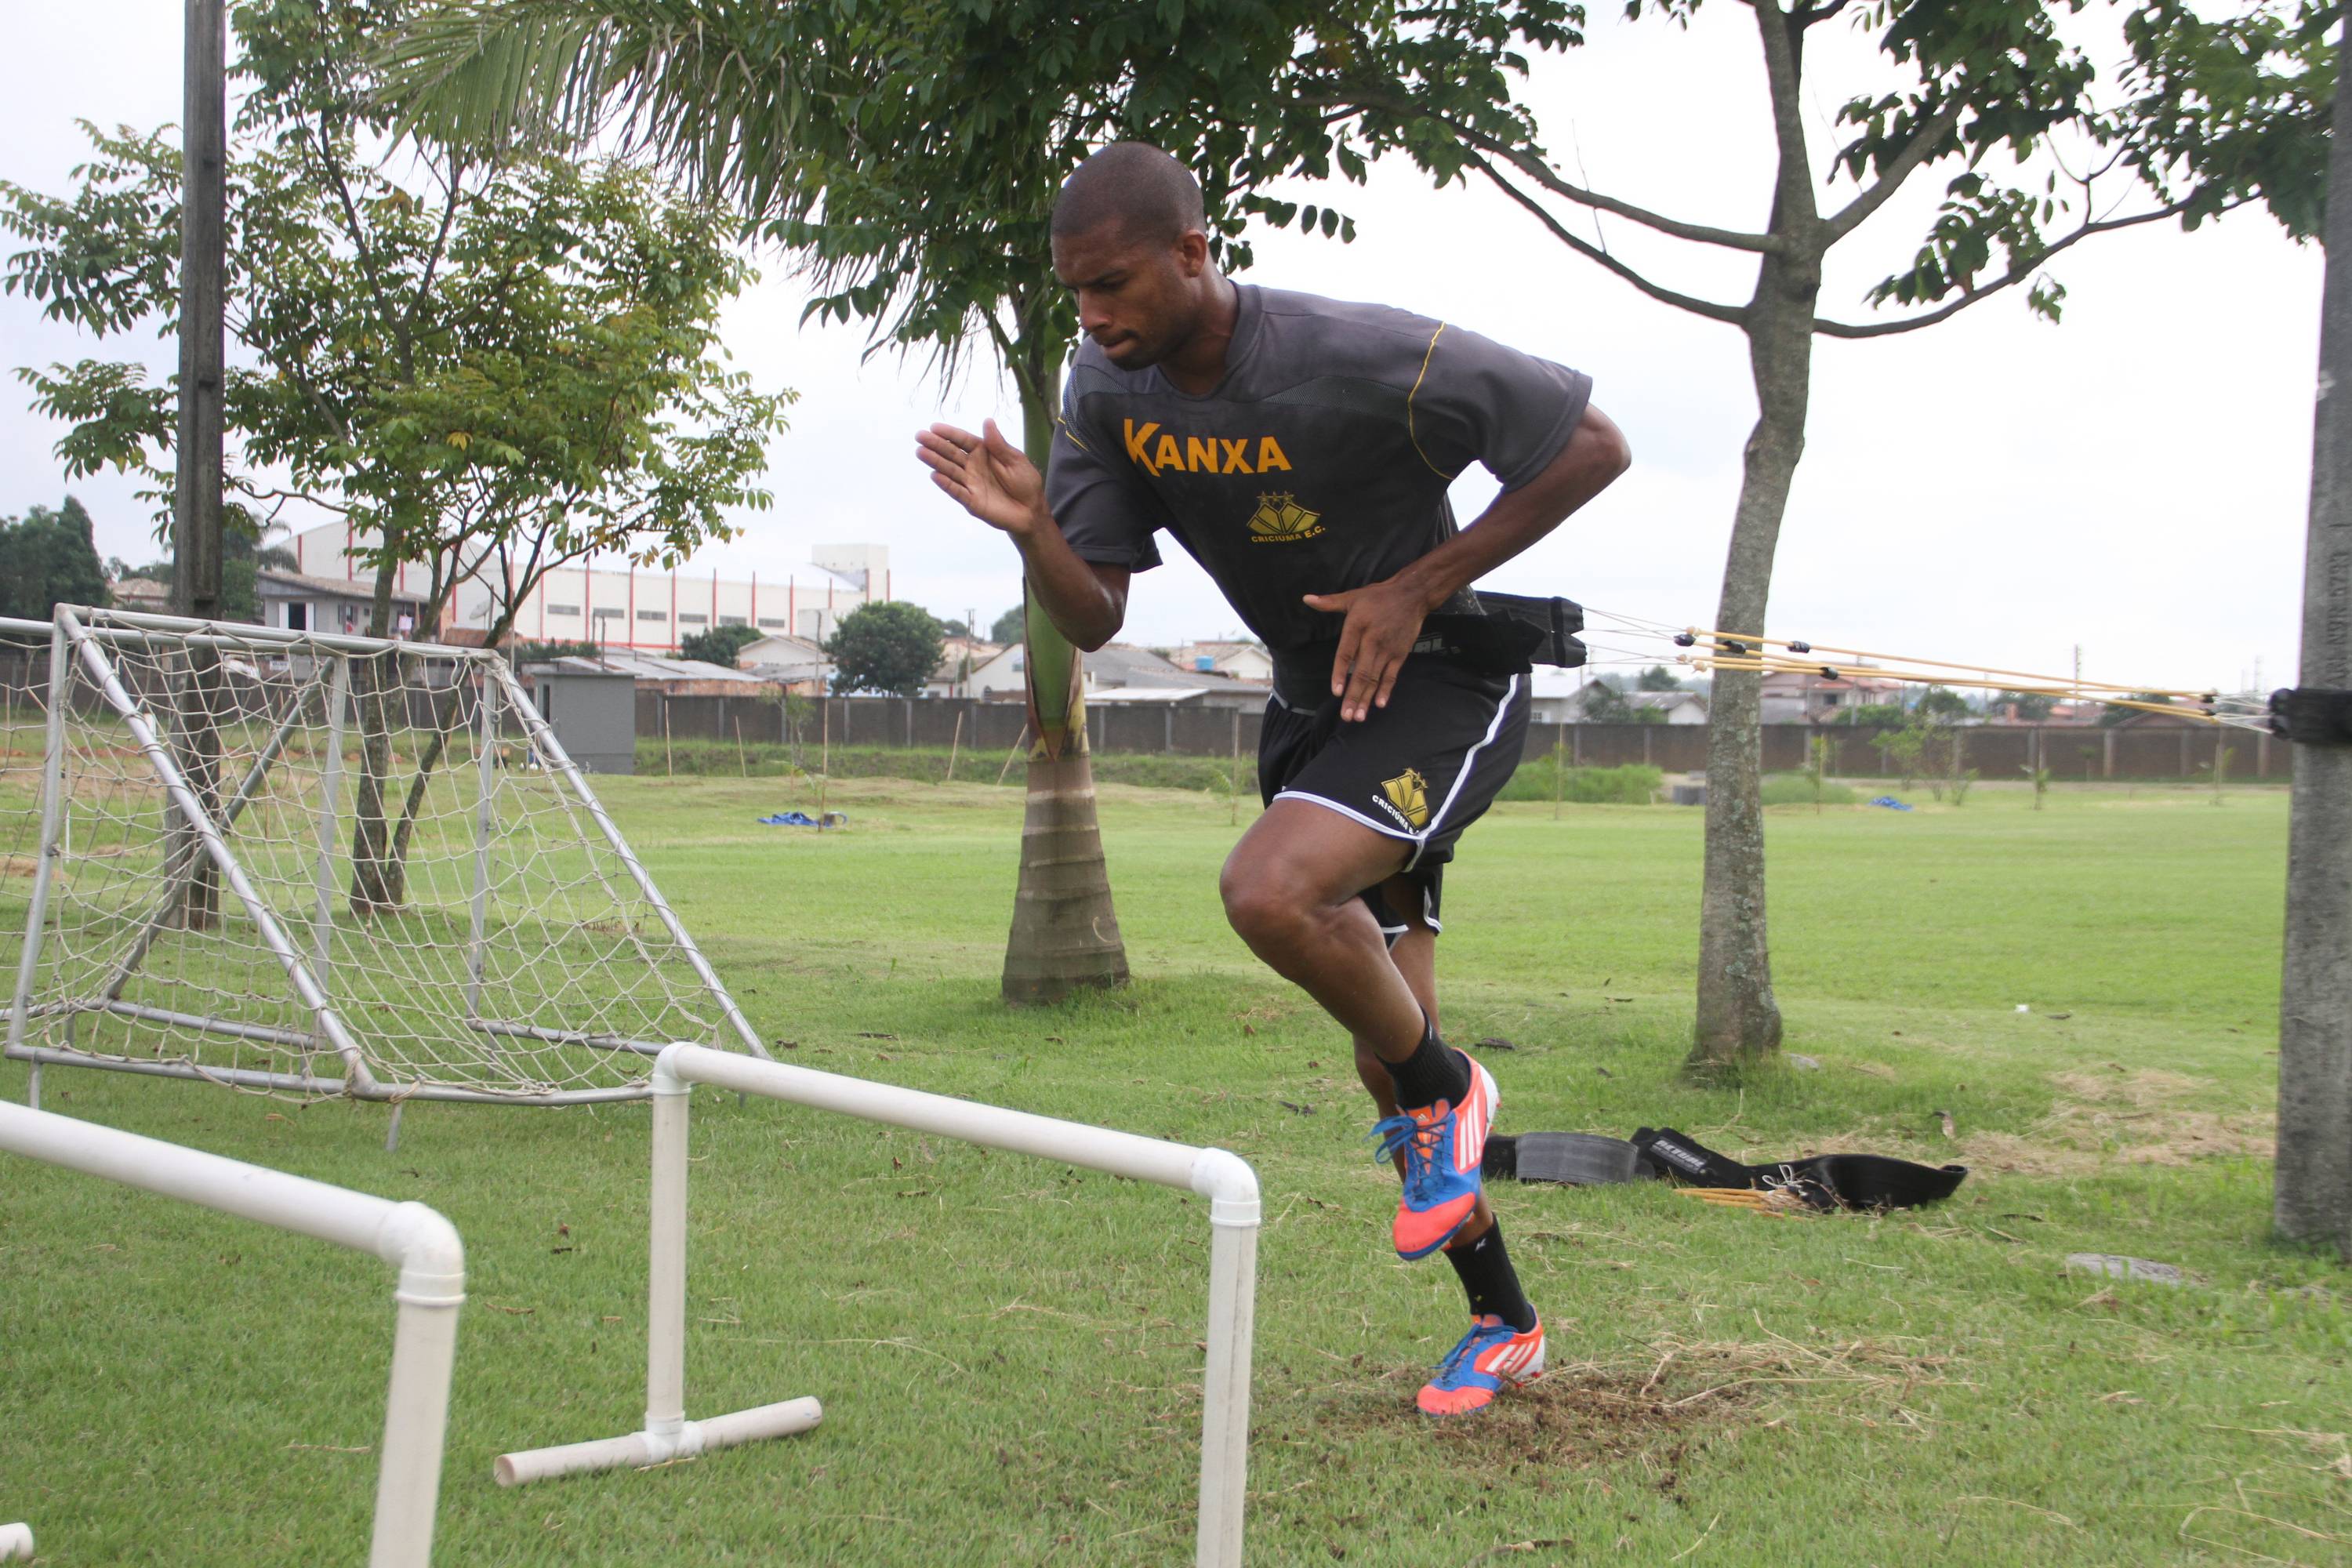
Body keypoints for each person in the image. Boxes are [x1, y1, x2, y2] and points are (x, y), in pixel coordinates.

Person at [916, 142, 1630, 1417]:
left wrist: (1417, 585)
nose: (1093, 314)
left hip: (1440, 680)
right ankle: (1504, 1320)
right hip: (1316, 705)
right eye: (1075, 291)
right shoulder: (1106, 388)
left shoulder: (1361, 353)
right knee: (1382, 1054)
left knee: (1269, 892)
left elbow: (1593, 444)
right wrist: (1032, 531)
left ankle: (1453, 1089)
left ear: (1193, 252)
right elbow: (1092, 617)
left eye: (1113, 283)